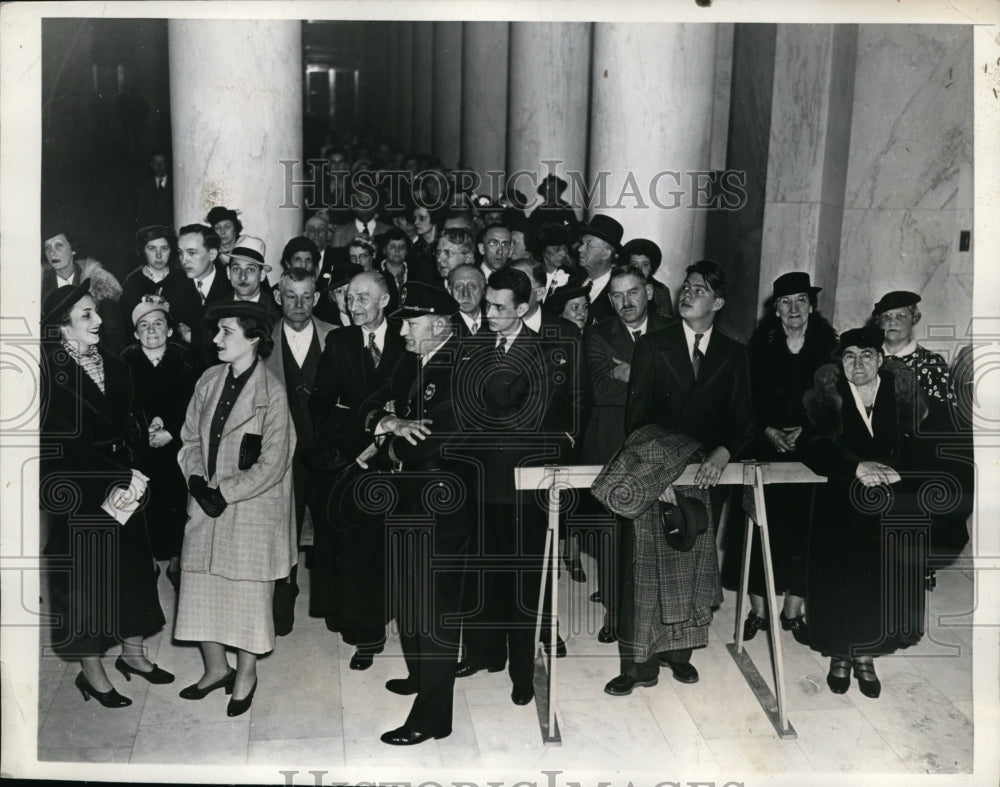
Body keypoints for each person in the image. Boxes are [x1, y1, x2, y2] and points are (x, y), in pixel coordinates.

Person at [610, 259, 754, 693]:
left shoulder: (735, 353)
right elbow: (636, 421)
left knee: (692, 566)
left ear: (719, 302)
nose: (687, 295)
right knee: (644, 571)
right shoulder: (654, 345)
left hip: (708, 479)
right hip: (658, 473)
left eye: (699, 290)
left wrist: (724, 453)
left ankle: (680, 653)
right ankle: (639, 665)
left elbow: (744, 419)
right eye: (686, 287)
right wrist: (660, 477)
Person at [40, 281, 171, 708]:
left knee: (133, 572)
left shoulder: (114, 363)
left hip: (124, 483)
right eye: (86, 315)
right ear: (62, 329)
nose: (99, 321)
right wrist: (117, 472)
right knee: (86, 583)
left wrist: (143, 430)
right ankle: (92, 674)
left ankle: (133, 655)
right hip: (80, 489)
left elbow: (129, 416)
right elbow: (57, 442)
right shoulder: (47, 372)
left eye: (96, 312)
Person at [358, 283, 475, 745]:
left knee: (435, 608)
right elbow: (372, 402)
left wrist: (390, 432)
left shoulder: (466, 365)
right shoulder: (411, 357)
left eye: (410, 321)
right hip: (407, 492)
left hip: (443, 501)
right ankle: (422, 675)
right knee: (410, 596)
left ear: (440, 325)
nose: (401, 328)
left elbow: (438, 440)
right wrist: (387, 422)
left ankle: (432, 717)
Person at [174, 301, 297, 716]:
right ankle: (214, 669)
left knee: (246, 599)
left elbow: (274, 463)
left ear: (254, 339)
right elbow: (189, 438)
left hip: (249, 510)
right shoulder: (208, 380)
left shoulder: (272, 394)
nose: (215, 340)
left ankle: (245, 675)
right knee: (200, 588)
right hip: (204, 503)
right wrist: (195, 480)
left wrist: (224, 492)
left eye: (226, 332)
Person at [798, 326, 930, 698]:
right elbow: (811, 444)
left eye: (867, 355)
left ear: (881, 359)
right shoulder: (826, 397)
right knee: (841, 582)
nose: (858, 363)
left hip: (887, 505)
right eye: (850, 356)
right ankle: (839, 656)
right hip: (841, 505)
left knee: (876, 583)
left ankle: (866, 657)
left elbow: (923, 443)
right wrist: (855, 467)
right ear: (840, 363)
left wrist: (900, 472)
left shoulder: (902, 395)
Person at [308, 270, 404, 669]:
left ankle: (396, 613)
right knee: (359, 553)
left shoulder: (407, 337)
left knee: (396, 549)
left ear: (384, 300)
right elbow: (322, 407)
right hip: (356, 461)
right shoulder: (340, 341)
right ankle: (367, 634)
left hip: (402, 463)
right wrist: (368, 430)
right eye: (350, 297)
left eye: (364, 297)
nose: (353, 304)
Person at [741, 272, 837, 645]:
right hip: (763, 447)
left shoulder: (830, 347)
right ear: (776, 309)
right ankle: (758, 611)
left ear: (812, 306)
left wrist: (808, 432)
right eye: (786, 301)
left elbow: (836, 403)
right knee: (760, 527)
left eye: (801, 300)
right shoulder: (758, 348)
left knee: (805, 533)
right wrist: (768, 431)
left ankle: (793, 612)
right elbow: (744, 401)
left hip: (811, 452)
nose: (794, 308)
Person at [582, 264, 671, 642]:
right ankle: (616, 616)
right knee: (615, 537)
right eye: (616, 295)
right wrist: (655, 380)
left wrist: (630, 372)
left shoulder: (672, 329)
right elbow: (600, 389)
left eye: (632, 292)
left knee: (660, 537)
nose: (624, 302)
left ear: (648, 292)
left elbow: (688, 385)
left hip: (662, 448)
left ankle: (661, 620)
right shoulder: (597, 334)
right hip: (613, 448)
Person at [264, 268, 337, 634]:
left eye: (306, 296)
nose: (298, 304)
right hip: (282, 454)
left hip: (327, 455)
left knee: (331, 529)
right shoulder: (263, 342)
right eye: (290, 296)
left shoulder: (336, 337)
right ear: (278, 297)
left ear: (317, 298)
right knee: (282, 530)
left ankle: (333, 604)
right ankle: (282, 606)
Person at [120, 296, 200, 590]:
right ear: (135, 333)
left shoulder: (186, 359)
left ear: (169, 330)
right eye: (144, 326)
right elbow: (122, 406)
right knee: (142, 504)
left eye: (158, 324)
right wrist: (144, 430)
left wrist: (173, 431)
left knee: (179, 503)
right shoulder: (125, 362)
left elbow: (195, 405)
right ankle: (148, 562)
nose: (151, 331)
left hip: (177, 445)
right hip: (140, 448)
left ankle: (179, 561)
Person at [41, 228, 127, 354]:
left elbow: (114, 336)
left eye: (59, 245)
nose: (52, 253)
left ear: (73, 249)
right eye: (47, 247)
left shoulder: (98, 282)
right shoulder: (39, 284)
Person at [119, 225, 202, 350]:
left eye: (164, 248)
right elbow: (126, 328)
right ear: (142, 250)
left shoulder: (183, 279)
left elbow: (194, 322)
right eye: (152, 249)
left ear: (171, 250)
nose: (158, 255)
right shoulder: (132, 283)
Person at [576, 215, 623, 327]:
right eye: (582, 244)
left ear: (605, 254)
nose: (579, 249)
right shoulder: (573, 279)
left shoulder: (618, 290)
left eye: (588, 246)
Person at [623, 238, 673, 320]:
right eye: (634, 264)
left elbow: (665, 322)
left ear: (651, 268)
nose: (639, 269)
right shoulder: (619, 287)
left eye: (645, 265)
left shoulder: (661, 291)